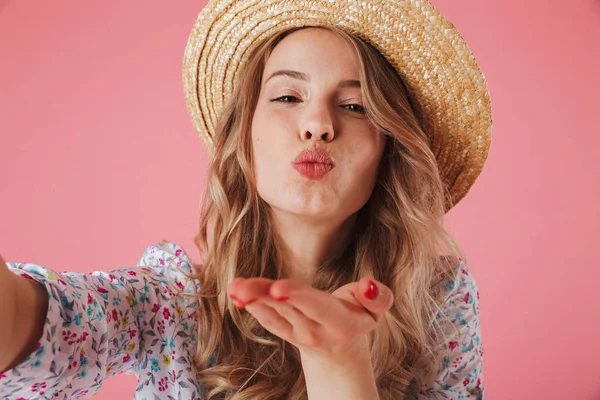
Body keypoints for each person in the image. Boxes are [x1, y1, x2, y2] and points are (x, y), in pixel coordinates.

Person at [0, 0, 492, 399]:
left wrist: (340, 361)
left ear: (389, 149)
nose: (317, 124)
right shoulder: (171, 305)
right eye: (286, 97)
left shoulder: (437, 302)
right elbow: (48, 325)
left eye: (354, 106)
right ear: (245, 139)